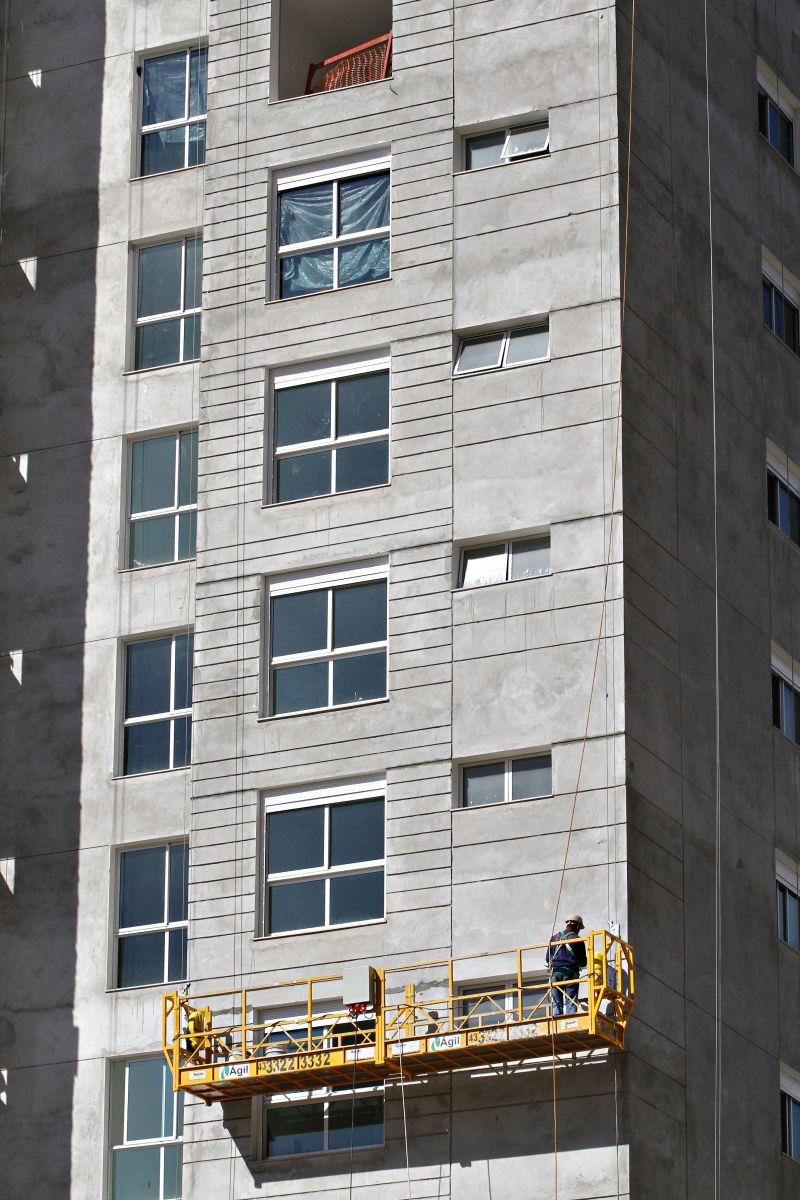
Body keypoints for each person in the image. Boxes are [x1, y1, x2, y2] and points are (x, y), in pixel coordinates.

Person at [546, 915, 587, 1016]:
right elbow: (583, 962)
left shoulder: (554, 938)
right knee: (570, 1000)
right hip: (571, 972)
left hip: (556, 972)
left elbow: (548, 958)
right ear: (577, 927)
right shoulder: (577, 939)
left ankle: (557, 1020)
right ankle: (570, 1019)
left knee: (556, 1002)